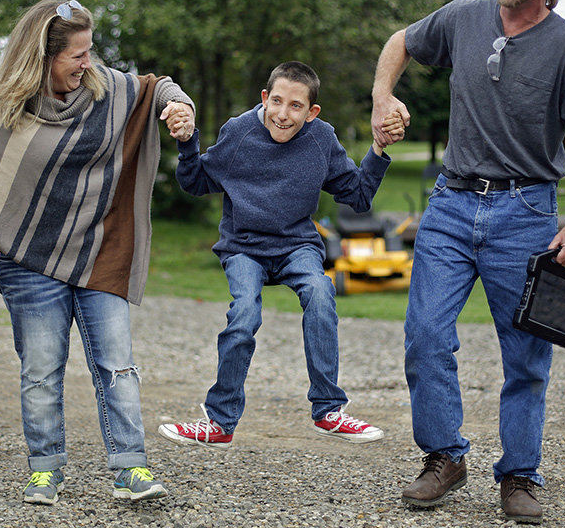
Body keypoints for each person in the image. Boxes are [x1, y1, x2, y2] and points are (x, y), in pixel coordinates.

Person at [370, 0, 565, 523]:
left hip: (528, 212)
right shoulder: (462, 16)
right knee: (425, 335)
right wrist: (382, 97)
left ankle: (520, 475)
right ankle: (444, 458)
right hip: (451, 203)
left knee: (527, 354)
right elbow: (399, 42)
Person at [0, 0, 196, 505]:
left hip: (99, 251)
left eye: (90, 51)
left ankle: (130, 469)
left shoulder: (106, 90)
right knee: (41, 370)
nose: (89, 64)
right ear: (42, 58)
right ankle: (45, 469)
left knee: (117, 364)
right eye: (77, 56)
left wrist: (179, 105)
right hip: (28, 261)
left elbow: (154, 85)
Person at [157, 61, 404, 449]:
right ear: (264, 98)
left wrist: (377, 149)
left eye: (295, 106)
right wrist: (188, 143)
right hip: (244, 247)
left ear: (311, 113)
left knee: (320, 293)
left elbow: (357, 196)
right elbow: (196, 181)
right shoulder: (239, 132)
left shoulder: (321, 139)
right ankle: (220, 422)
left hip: (296, 246)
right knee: (244, 315)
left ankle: (328, 411)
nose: (283, 114)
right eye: (277, 102)